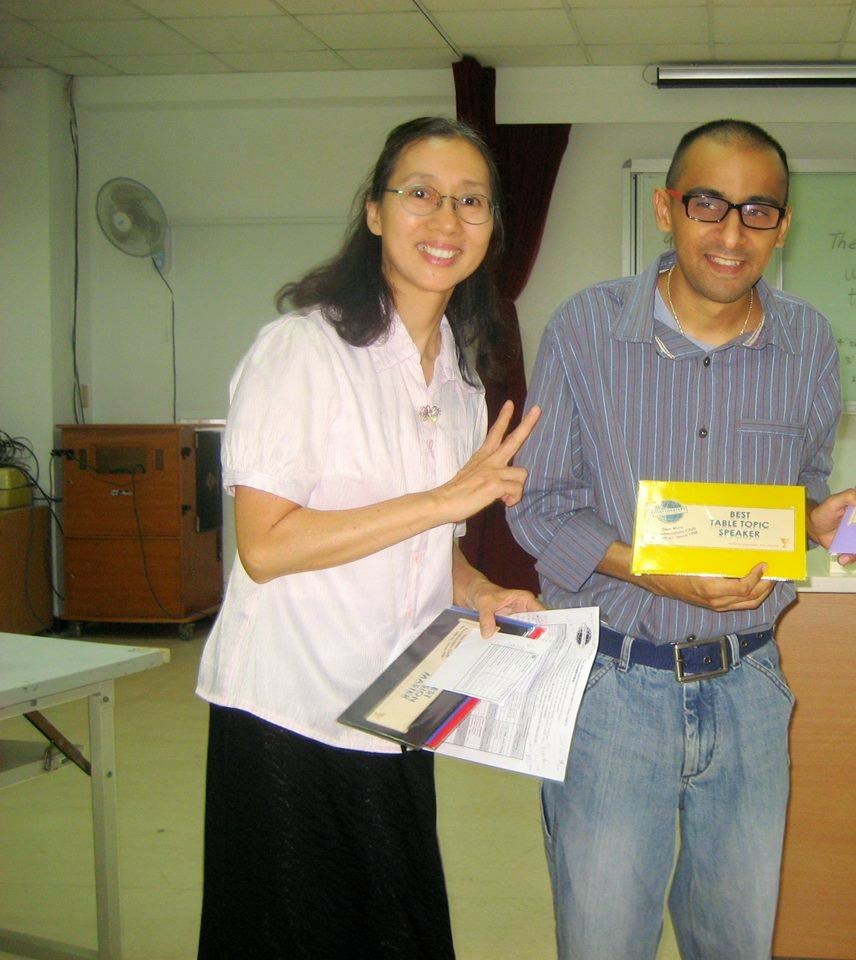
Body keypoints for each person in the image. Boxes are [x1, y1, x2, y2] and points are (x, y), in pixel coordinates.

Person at [194, 116, 542, 960]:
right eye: (421, 193)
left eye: (472, 202)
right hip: (290, 711)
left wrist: (483, 590)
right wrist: (441, 498)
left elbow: (435, 547)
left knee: (396, 930)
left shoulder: (460, 382)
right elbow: (266, 547)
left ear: (492, 230)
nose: (447, 219)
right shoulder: (301, 351)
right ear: (376, 212)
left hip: (396, 706)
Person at [508, 118, 856, 960]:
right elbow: (540, 507)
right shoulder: (585, 329)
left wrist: (818, 522)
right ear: (666, 209)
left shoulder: (809, 342)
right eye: (709, 204)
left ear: (783, 225)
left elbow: (798, 494)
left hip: (749, 690)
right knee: (603, 943)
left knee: (736, 943)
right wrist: (654, 574)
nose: (732, 234)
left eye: (758, 210)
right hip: (611, 689)